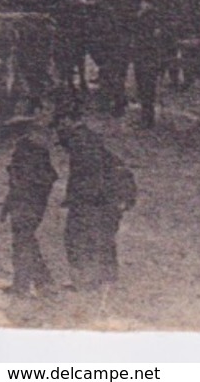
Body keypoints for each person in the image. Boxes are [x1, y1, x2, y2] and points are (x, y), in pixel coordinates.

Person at [56, 114, 131, 289]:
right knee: (102, 238)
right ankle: (105, 279)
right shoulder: (93, 146)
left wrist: (78, 202)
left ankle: (88, 279)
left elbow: (88, 181)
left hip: (99, 201)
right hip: (110, 199)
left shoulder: (82, 148)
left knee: (80, 237)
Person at [1, 110, 57, 298]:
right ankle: (42, 283)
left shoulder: (28, 151)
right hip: (28, 203)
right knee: (27, 242)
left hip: (27, 204)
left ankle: (24, 286)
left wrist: (16, 204)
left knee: (23, 244)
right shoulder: (32, 149)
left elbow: (24, 181)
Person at [129, 0, 169, 129]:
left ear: (151, 4)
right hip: (141, 56)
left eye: (145, 2)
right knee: (142, 88)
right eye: (142, 2)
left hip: (149, 57)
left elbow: (156, 38)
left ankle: (147, 120)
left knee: (147, 89)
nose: (142, 5)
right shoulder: (142, 16)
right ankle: (145, 118)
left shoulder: (154, 18)